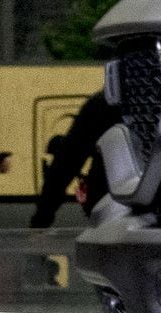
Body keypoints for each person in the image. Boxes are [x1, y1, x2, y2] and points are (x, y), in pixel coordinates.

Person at [30, 91, 120, 229]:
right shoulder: (160, 104)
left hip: (109, 202)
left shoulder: (102, 103)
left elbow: (66, 163)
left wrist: (42, 218)